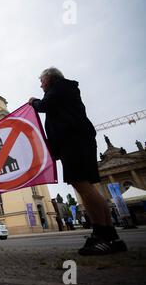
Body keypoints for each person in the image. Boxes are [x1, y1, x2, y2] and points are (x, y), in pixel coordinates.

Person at [28, 67, 127, 255]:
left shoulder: (60, 88)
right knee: (88, 187)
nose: (40, 84)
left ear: (49, 79)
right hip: (79, 141)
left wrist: (34, 102)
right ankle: (111, 236)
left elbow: (44, 106)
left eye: (42, 81)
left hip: (73, 143)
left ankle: (102, 237)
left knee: (82, 185)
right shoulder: (65, 90)